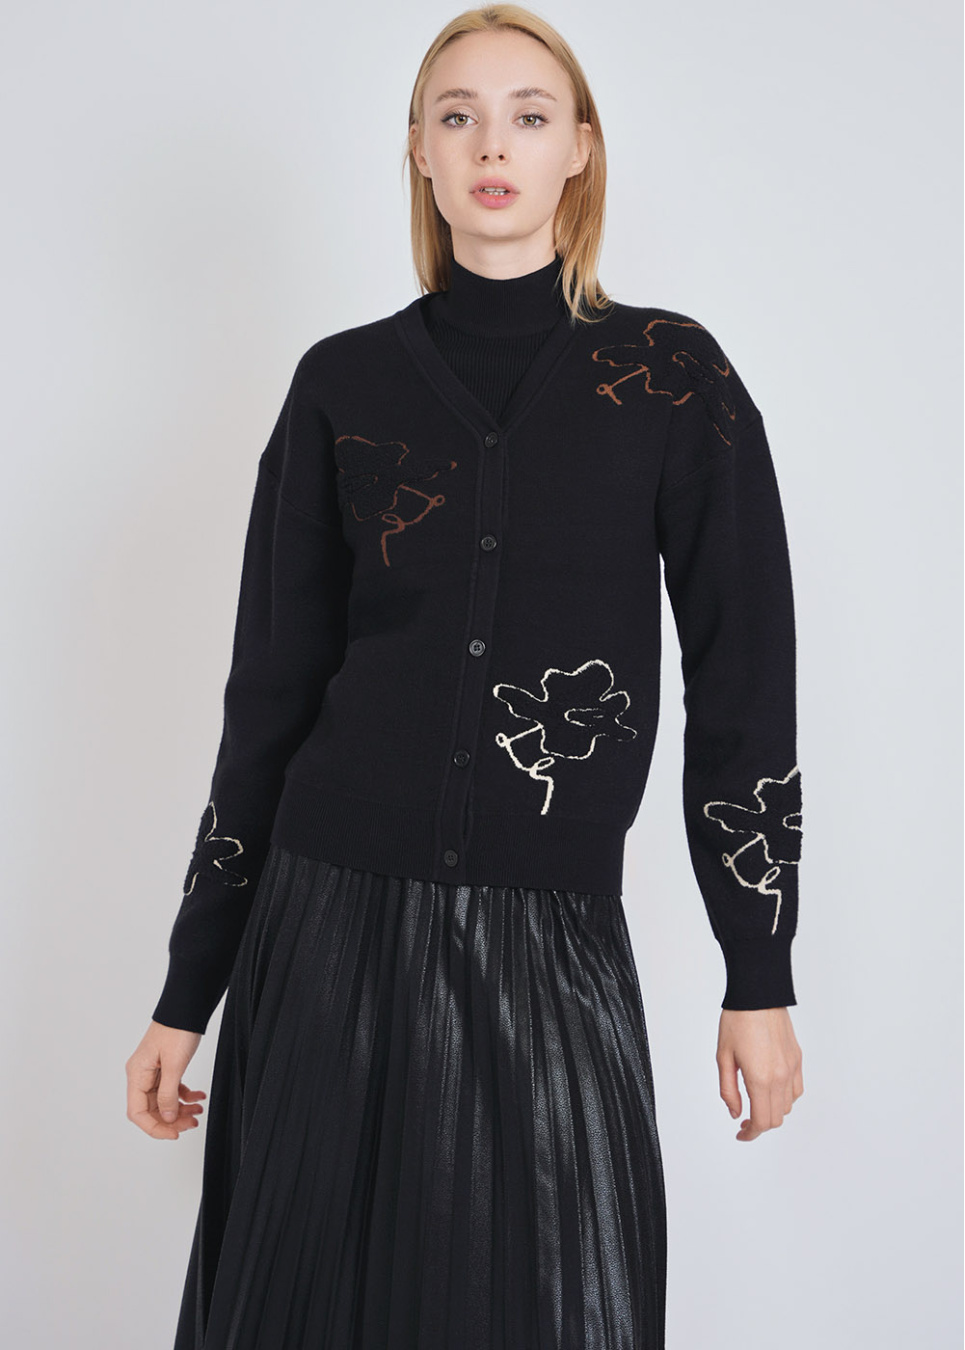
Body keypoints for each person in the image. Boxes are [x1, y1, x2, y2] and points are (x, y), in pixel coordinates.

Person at [126, 6, 805, 1347]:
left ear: (579, 150)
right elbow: (268, 700)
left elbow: (744, 679)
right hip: (323, 931)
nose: (493, 144)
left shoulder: (670, 378)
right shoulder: (342, 384)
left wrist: (758, 969)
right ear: (420, 154)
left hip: (550, 935)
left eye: (528, 115)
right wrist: (184, 991)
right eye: (458, 116)